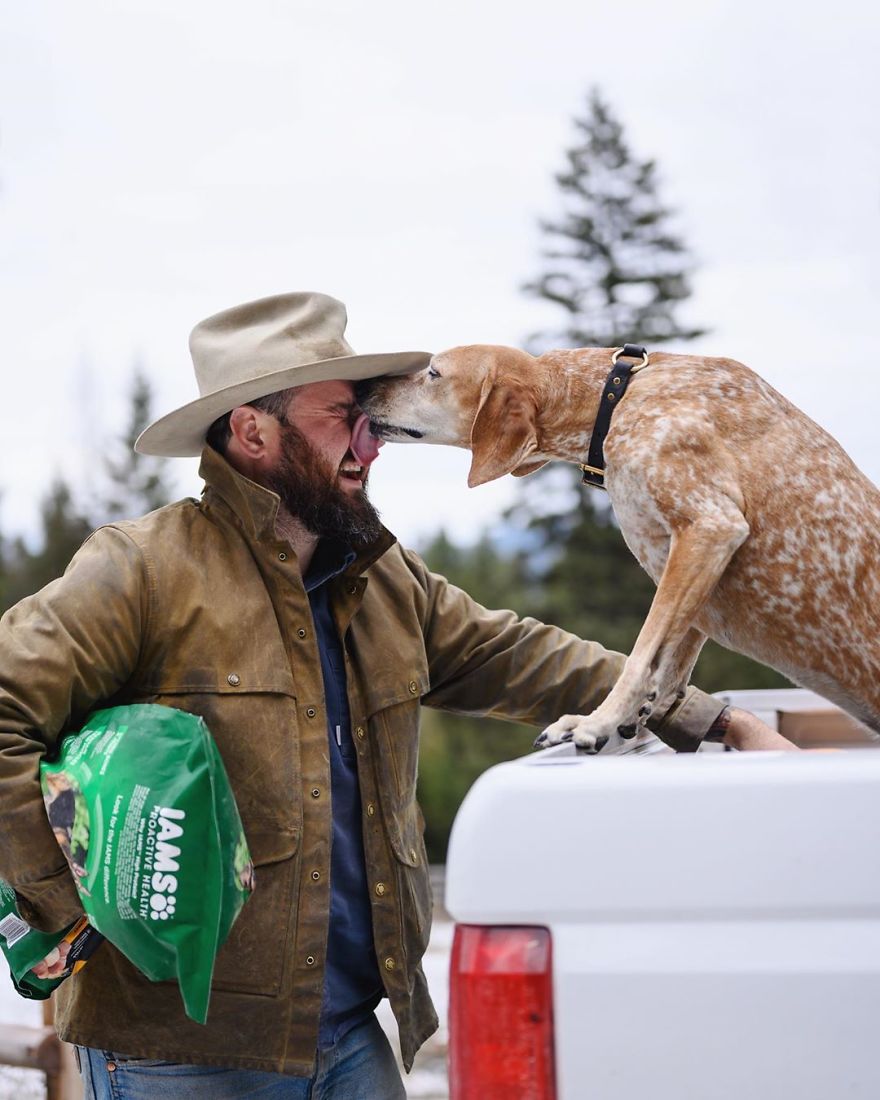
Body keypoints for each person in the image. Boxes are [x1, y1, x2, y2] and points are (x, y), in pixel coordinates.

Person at [0, 292, 796, 1099]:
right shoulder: (139, 570)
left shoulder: (382, 578)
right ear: (251, 432)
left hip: (348, 1034)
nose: (370, 443)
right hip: (176, 1055)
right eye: (341, 417)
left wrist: (717, 719)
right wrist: (67, 905)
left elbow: (518, 655)